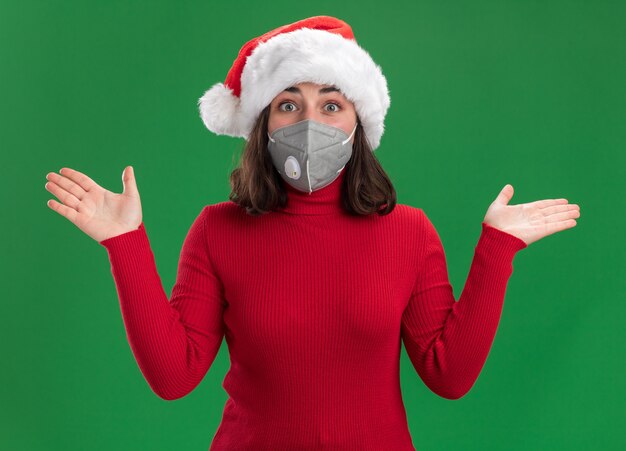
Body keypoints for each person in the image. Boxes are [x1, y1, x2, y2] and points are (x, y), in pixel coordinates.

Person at [44, 15, 580, 451]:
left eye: (330, 104)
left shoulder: (409, 232)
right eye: (287, 104)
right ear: (261, 124)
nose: (309, 123)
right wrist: (125, 243)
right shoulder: (218, 230)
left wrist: (497, 250)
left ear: (358, 124)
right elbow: (173, 376)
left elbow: (449, 375)